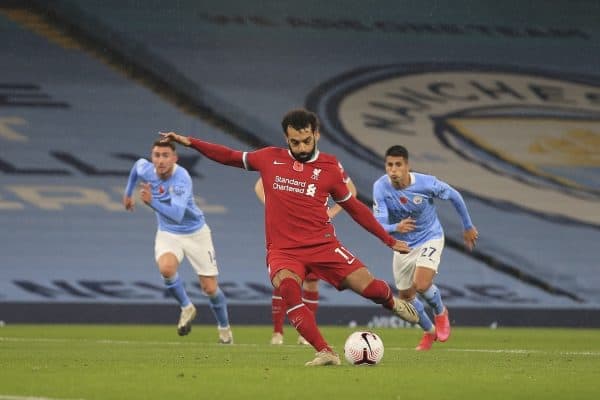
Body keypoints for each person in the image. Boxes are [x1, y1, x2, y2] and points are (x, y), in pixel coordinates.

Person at [160, 108, 419, 366]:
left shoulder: (329, 167)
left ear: (316, 134)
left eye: (307, 140)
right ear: (286, 138)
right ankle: (325, 351)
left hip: (324, 246)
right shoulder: (269, 158)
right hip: (283, 251)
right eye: (295, 142)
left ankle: (391, 301)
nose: (302, 147)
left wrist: (388, 239)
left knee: (369, 287)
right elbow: (229, 156)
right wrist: (190, 142)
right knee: (288, 290)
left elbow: (356, 208)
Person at [123, 139, 233, 344]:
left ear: (175, 158)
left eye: (166, 156)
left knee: (209, 288)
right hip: (168, 234)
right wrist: (128, 194)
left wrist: (152, 202)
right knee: (166, 268)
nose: (161, 160)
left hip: (196, 233)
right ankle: (186, 307)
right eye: (157, 155)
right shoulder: (147, 169)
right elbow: (136, 167)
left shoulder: (181, 178)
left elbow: (177, 214)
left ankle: (224, 329)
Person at [372, 145, 478, 351]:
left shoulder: (426, 184)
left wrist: (467, 226)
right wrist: (395, 227)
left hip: (430, 237)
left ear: (407, 166)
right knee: (406, 298)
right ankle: (428, 332)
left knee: (421, 284)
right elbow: (379, 223)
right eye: (389, 165)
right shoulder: (380, 187)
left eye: (398, 165)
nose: (393, 170)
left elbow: (454, 195)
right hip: (402, 245)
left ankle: (440, 311)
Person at [254, 173, 357, 346]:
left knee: (311, 283)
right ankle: (277, 332)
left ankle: (305, 335)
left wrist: (332, 212)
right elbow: (259, 186)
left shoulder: (328, 165)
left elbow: (351, 191)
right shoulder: (287, 161)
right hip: (287, 231)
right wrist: (275, 207)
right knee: (284, 278)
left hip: (314, 232)